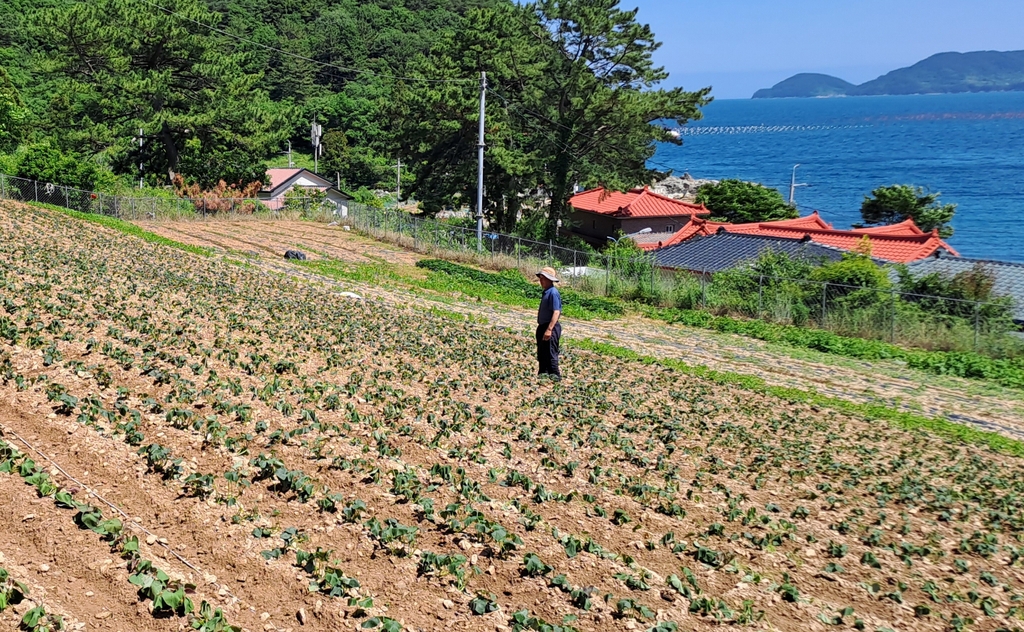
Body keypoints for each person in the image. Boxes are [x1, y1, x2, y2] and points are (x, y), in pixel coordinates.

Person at [535, 267, 562, 379]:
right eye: (540, 278)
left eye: (543, 278)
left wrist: (549, 329)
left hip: (550, 327)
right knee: (542, 352)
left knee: (551, 352)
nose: (541, 281)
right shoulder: (546, 292)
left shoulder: (553, 293)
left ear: (549, 280)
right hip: (543, 326)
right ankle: (543, 373)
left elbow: (556, 312)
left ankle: (554, 374)